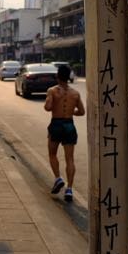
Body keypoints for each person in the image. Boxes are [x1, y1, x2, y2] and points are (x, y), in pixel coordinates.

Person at [44, 64, 85, 201]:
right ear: (68, 77)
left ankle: (58, 178)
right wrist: (70, 112)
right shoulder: (75, 93)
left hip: (56, 124)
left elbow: (48, 107)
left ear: (57, 76)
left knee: (52, 153)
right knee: (70, 159)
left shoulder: (52, 90)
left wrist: (52, 101)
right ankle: (69, 189)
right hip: (69, 124)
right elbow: (81, 112)